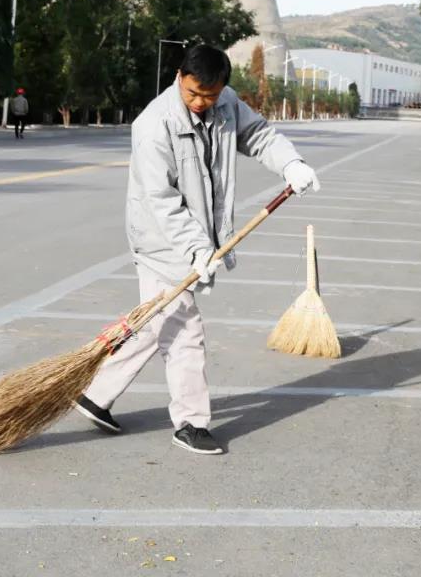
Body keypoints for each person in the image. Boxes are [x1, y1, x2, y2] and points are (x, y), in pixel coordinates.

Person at [75, 44, 320, 455]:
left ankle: (94, 396)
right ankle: (191, 423)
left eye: (210, 95)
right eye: (193, 94)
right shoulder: (154, 125)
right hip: (159, 237)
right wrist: (196, 251)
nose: (202, 103)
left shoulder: (225, 103)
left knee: (160, 319)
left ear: (223, 87)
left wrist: (291, 164)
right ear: (179, 78)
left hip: (196, 236)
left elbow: (258, 135)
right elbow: (162, 200)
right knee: (185, 329)